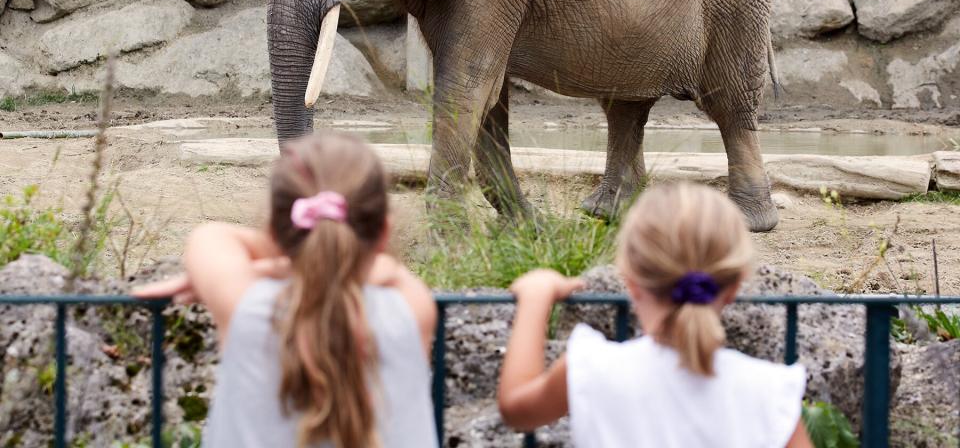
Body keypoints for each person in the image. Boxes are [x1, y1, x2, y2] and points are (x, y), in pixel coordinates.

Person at [134, 132, 438, 448]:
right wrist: (338, 267)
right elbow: (390, 270)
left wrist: (281, 263)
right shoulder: (413, 306)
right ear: (383, 233)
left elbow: (211, 235)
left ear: (273, 232)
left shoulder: (246, 305)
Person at [497, 182, 812, 448]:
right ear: (735, 284)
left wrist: (536, 298)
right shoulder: (771, 394)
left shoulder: (590, 370)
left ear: (629, 278)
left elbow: (516, 408)